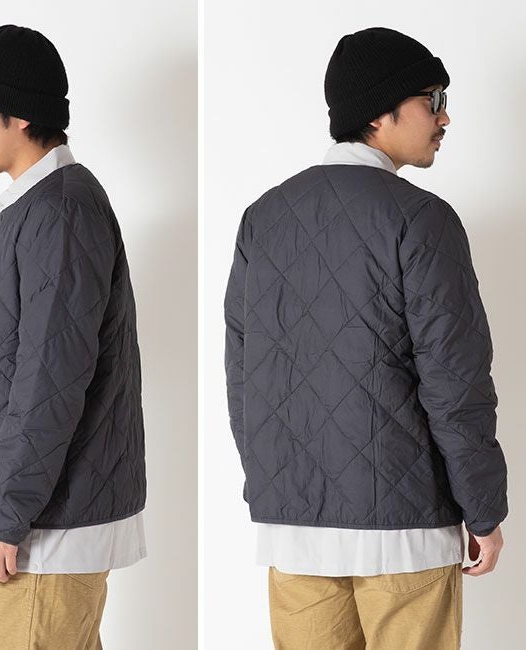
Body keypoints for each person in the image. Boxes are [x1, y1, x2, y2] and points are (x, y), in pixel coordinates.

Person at [223, 26, 508, 650]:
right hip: (404, 534)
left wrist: (273, 489)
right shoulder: (422, 219)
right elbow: (456, 383)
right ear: (380, 114)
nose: (444, 117)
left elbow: (243, 377)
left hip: (294, 534)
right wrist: (484, 508)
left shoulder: (263, 217)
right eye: (432, 100)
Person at [0, 24, 147, 650]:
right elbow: (38, 352)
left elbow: (50, 381)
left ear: (20, 112)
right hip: (42, 519)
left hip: (42, 529)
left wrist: (6, 516)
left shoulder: (59, 210)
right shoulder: (37, 206)